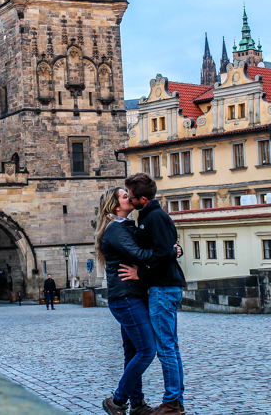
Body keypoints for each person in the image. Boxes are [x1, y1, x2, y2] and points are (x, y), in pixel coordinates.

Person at [120, 173, 187, 415]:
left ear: (143, 199)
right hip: (162, 287)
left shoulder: (155, 217)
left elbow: (161, 254)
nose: (129, 198)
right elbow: (167, 249)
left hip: (162, 288)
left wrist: (141, 275)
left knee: (166, 347)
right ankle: (175, 400)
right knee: (171, 346)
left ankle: (172, 403)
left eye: (131, 196)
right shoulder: (148, 216)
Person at [95, 186, 157, 415]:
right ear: (115, 205)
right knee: (147, 350)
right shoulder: (116, 230)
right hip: (126, 297)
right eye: (124, 196)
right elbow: (140, 255)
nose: (129, 198)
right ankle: (118, 400)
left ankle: (138, 404)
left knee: (133, 353)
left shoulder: (123, 227)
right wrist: (167, 251)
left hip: (129, 295)